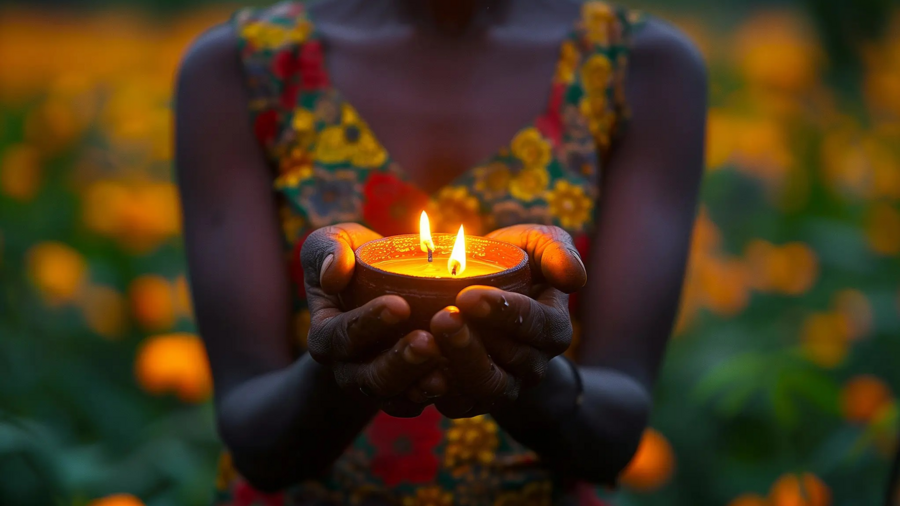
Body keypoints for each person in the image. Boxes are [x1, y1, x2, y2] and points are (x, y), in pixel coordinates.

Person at [174, 0, 706, 503]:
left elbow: (615, 432)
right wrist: (347, 362)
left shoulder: (640, 66)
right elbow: (253, 436)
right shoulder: (244, 67)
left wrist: (528, 374)